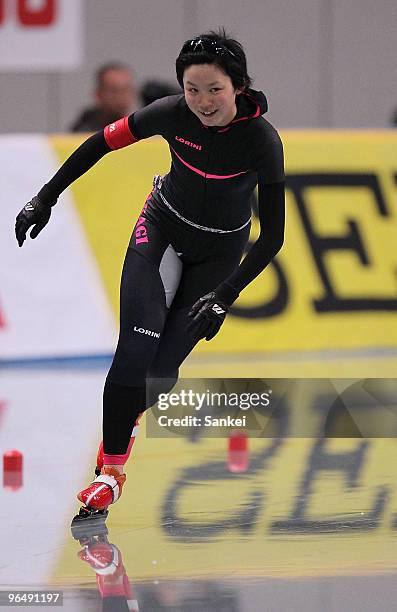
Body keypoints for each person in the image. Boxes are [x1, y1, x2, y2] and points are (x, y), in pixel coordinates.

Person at [15, 28, 285, 516]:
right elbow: (99, 143)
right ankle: (110, 473)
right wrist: (45, 197)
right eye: (192, 89)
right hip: (160, 230)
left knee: (159, 375)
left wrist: (225, 295)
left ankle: (125, 427)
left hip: (218, 256)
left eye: (215, 90)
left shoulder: (262, 142)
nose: (202, 102)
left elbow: (272, 239)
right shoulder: (168, 113)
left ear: (240, 87)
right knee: (133, 352)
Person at [70, 62, 137, 132]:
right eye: (114, 91)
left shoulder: (139, 130)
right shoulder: (82, 135)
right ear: (98, 94)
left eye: (125, 90)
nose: (121, 97)